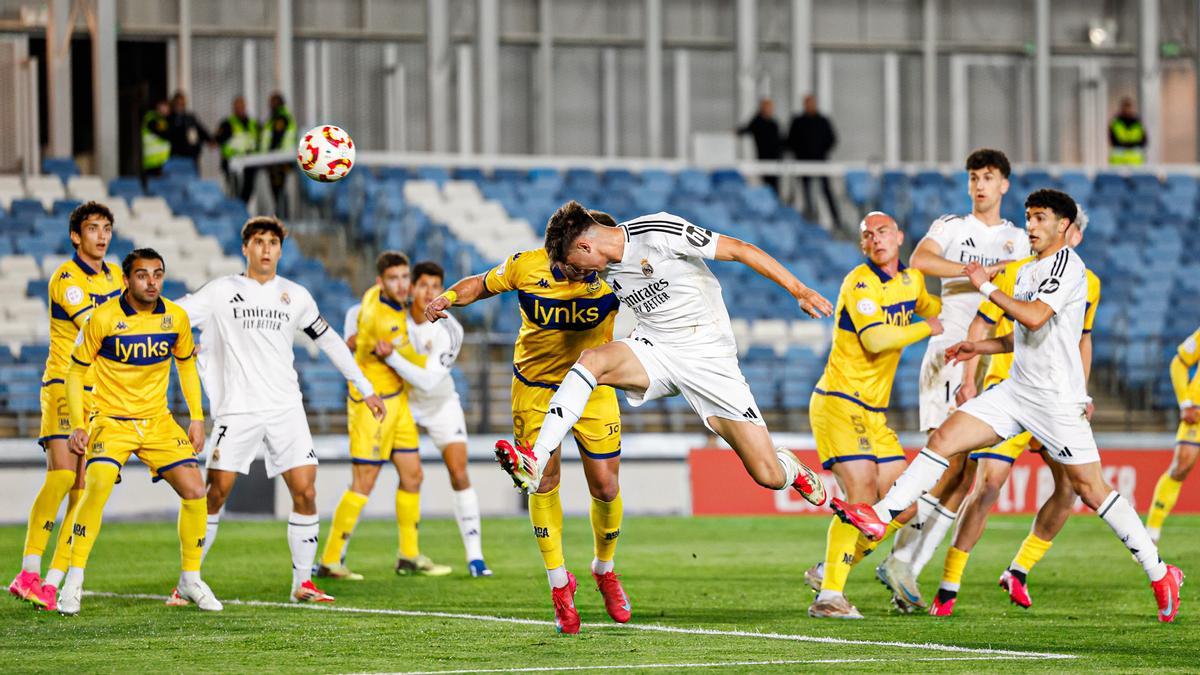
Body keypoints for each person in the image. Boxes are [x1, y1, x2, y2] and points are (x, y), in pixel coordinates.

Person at [443, 203, 832, 622]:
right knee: (591, 362)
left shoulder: (658, 231)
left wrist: (799, 289)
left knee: (767, 475)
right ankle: (535, 461)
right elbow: (500, 281)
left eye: (575, 263)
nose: (575, 274)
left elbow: (739, 248)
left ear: (588, 245)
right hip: (655, 350)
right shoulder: (598, 267)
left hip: (709, 358)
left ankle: (792, 470)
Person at [831, 189, 1185, 624]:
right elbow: (1023, 335)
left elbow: (1034, 316)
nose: (1030, 226)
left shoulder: (1068, 266)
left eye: (1038, 219)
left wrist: (983, 285)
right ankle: (880, 517)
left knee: (1091, 491)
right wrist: (976, 345)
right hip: (1016, 391)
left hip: (1056, 401)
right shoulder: (1028, 270)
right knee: (946, 439)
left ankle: (1160, 571)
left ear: (1062, 226)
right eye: (1028, 217)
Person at [421, 210, 628, 634]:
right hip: (535, 389)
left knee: (605, 485)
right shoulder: (525, 265)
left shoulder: (615, 273)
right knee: (543, 481)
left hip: (593, 387)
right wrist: (449, 298)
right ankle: (559, 586)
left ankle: (604, 569)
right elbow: (481, 282)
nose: (578, 270)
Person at [171, 216, 384, 604]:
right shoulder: (221, 291)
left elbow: (331, 341)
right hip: (237, 409)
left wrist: (365, 386)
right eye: (258, 241)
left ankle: (302, 583)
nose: (266, 249)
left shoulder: (296, 296)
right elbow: (174, 316)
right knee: (215, 493)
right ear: (245, 248)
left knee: (305, 490)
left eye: (272, 242)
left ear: (280, 250)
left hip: (286, 408)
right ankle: (188, 580)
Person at [877, 148, 1030, 609]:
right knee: (945, 461)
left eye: (988, 177)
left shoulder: (1019, 239)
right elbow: (922, 261)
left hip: (991, 361)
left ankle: (906, 565)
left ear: (1004, 184)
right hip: (949, 356)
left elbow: (1024, 284)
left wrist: (991, 276)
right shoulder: (951, 227)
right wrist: (976, 273)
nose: (980, 185)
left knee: (963, 478)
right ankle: (881, 559)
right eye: (973, 177)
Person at [929, 205, 1100, 616]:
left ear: (1074, 234)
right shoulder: (1017, 272)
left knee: (1071, 488)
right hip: (1010, 392)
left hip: (1056, 400)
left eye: (1073, 230)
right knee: (987, 486)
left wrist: (1082, 393)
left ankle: (1019, 569)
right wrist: (970, 379)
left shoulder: (1086, 280)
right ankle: (948, 586)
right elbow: (983, 326)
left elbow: (1082, 341)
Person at [57, 248, 221, 615]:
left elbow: (187, 368)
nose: (152, 282)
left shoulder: (175, 318)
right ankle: (75, 578)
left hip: (158, 422)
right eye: (143, 275)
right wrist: (79, 424)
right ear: (127, 280)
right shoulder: (103, 319)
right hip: (111, 422)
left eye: (158, 274)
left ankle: (190, 579)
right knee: (97, 485)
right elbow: (75, 372)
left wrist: (197, 417)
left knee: (196, 490)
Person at [803, 212, 942, 619]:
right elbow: (877, 338)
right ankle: (829, 598)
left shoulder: (911, 280)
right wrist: (927, 327)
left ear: (899, 236)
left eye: (883, 232)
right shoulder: (859, 283)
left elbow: (939, 305)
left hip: (874, 413)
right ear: (862, 245)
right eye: (868, 235)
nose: (876, 239)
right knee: (861, 498)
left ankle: (830, 570)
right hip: (840, 402)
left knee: (907, 504)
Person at [323, 261, 491, 578]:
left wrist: (391, 357)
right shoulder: (394, 311)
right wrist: (350, 335)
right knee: (368, 477)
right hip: (400, 401)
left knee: (450, 471)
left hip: (439, 402)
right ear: (412, 288)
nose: (429, 292)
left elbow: (428, 381)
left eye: (436, 287)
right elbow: (357, 311)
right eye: (423, 285)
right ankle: (334, 557)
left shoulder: (450, 329)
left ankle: (473, 556)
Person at [7, 202, 125, 613]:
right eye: (93, 228)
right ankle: (27, 571)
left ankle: (50, 581)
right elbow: (98, 325)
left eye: (107, 228)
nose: (102, 236)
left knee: (81, 489)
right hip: (63, 385)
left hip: (101, 393)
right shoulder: (67, 279)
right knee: (60, 477)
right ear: (76, 236)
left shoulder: (116, 275)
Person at [1143, 326, 1200, 545]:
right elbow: (1179, 363)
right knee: (1181, 466)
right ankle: (1153, 530)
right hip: (1196, 412)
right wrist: (1185, 402)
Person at [786, 95, 841, 227]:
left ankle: (836, 221)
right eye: (807, 103)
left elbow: (832, 139)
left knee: (826, 190)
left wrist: (821, 151)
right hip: (803, 163)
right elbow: (790, 140)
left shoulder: (822, 120)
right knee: (805, 191)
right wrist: (800, 153)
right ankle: (809, 220)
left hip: (821, 161)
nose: (809, 105)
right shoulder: (798, 121)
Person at [215, 96, 260, 204]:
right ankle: (235, 213)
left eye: (242, 106)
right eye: (237, 106)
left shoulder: (253, 123)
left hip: (250, 164)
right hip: (232, 164)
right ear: (233, 108)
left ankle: (242, 212)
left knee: (247, 191)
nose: (240, 108)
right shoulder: (227, 123)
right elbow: (218, 140)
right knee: (234, 193)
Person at [737, 98, 783, 195]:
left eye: (770, 107)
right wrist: (734, 132)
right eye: (767, 107)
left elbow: (779, 142)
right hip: (763, 157)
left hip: (775, 158)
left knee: (775, 185)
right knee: (766, 184)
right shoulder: (757, 122)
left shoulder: (774, 123)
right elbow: (746, 129)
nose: (770, 110)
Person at [262, 92, 297, 217]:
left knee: (278, 189)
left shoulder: (280, 118)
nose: (270, 105)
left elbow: (276, 138)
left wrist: (268, 156)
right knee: (278, 190)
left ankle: (283, 216)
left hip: (279, 160)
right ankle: (282, 214)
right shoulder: (276, 118)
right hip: (278, 159)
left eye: (272, 102)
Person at [166, 91, 211, 167]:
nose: (181, 105)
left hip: (192, 156)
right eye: (178, 103)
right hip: (177, 156)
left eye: (183, 103)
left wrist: (210, 140)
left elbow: (200, 130)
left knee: (193, 177)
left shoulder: (190, 117)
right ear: (174, 104)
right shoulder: (169, 118)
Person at [1109, 97, 1147, 165]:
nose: (1127, 110)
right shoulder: (1115, 122)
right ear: (1121, 108)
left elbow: (1144, 141)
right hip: (1119, 158)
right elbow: (1112, 140)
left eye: (1129, 107)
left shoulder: (1138, 123)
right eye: (1125, 107)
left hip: (1135, 158)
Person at [141, 99, 171, 178]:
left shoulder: (167, 120)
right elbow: (162, 131)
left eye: (166, 107)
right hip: (152, 164)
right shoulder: (150, 117)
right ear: (157, 106)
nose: (165, 109)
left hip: (165, 163)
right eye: (163, 106)